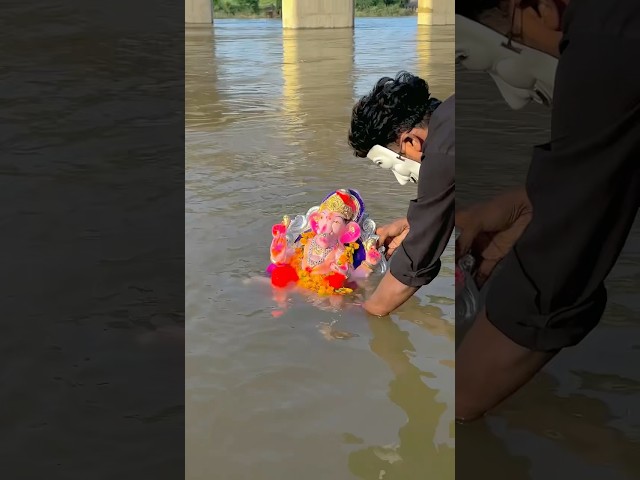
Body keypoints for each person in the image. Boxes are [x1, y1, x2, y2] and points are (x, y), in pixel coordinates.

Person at [455, 0, 640, 421]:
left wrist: (457, 399)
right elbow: (606, 168)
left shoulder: (604, 42)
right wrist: (534, 201)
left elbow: (556, 277)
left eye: (515, 35)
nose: (515, 99)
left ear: (539, 8)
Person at [348, 72, 455, 316]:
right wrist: (413, 224)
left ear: (412, 141)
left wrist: (363, 314)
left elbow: (415, 264)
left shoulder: (440, 153)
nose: (401, 178)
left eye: (397, 163)